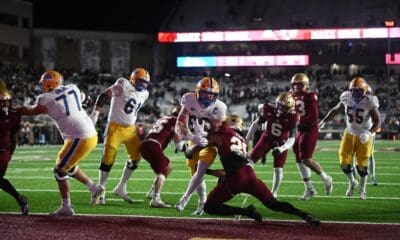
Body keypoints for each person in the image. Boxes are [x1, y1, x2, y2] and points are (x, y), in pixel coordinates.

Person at [185, 113, 320, 226]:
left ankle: (246, 212)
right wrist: (209, 171)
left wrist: (191, 149)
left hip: (236, 180)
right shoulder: (243, 141)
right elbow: (233, 168)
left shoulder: (220, 134)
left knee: (209, 207)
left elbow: (190, 152)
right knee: (273, 204)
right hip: (251, 177)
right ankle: (305, 215)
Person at [17, 70, 104, 216]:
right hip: (86, 134)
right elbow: (84, 97)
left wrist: (11, 109)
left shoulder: (46, 99)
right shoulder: (73, 88)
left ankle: (67, 207)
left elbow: (29, 111)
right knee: (67, 166)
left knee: (59, 170)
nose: (43, 86)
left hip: (79, 137)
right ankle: (94, 188)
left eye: (44, 83)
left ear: (49, 83)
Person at [90, 67, 150, 204]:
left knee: (136, 158)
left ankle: (121, 187)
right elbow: (104, 95)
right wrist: (96, 112)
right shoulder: (123, 84)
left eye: (145, 82)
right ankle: (101, 190)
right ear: (133, 79)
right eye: (141, 81)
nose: (144, 84)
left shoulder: (145, 93)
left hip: (131, 130)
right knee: (108, 159)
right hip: (115, 128)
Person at [319, 77, 381, 199]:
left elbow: (378, 122)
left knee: (362, 165)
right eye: (352, 91)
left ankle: (363, 190)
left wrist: (369, 133)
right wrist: (323, 121)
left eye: (358, 91)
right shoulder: (346, 97)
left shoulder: (370, 100)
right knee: (344, 162)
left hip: (363, 135)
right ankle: (352, 181)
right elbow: (336, 110)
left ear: (364, 90)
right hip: (349, 133)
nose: (354, 94)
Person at [174, 76, 227, 215]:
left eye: (212, 95)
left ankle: (185, 198)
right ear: (198, 91)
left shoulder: (220, 107)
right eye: (205, 93)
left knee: (200, 170)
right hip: (194, 139)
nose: (208, 98)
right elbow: (179, 124)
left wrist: (205, 140)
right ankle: (202, 202)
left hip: (210, 143)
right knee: (195, 175)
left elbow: (218, 132)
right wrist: (192, 137)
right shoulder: (189, 99)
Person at [290, 73, 333, 200]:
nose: (297, 86)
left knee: (306, 159)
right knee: (298, 159)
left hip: (309, 128)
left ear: (306, 85)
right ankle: (309, 189)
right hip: (299, 129)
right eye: (295, 84)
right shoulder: (290, 95)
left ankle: (326, 178)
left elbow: (314, 116)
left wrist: (299, 121)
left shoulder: (310, 96)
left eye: (300, 84)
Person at [249, 93, 299, 198]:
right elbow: (256, 123)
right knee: (249, 161)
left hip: (282, 141)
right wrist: (247, 138)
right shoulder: (269, 108)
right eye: (278, 105)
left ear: (289, 108)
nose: (279, 109)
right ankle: (245, 183)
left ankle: (274, 192)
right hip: (267, 138)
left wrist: (282, 148)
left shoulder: (293, 116)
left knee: (278, 168)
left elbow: (292, 138)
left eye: (283, 107)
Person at [141, 105, 185, 208]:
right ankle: (155, 199)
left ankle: (152, 191)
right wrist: (187, 148)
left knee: (168, 166)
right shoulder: (176, 121)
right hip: (154, 145)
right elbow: (178, 145)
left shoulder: (164, 118)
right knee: (162, 171)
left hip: (145, 144)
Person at [0, 80, 29, 216]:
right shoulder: (13, 113)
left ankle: (20, 199)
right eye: (2, 102)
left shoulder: (14, 114)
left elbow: (15, 137)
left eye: (6, 101)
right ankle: (20, 199)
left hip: (3, 149)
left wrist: (11, 153)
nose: (5, 104)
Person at [366, 85, 379, 186]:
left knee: (370, 155)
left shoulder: (373, 99)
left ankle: (373, 177)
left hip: (369, 131)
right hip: (357, 131)